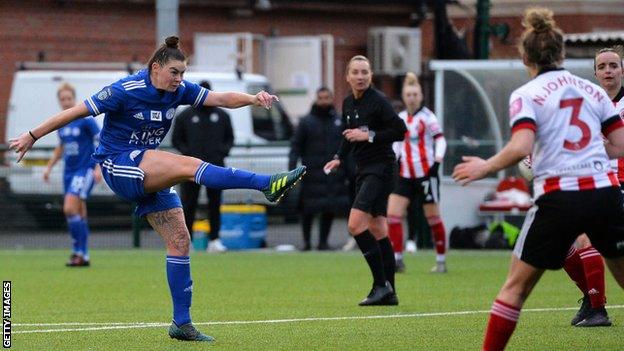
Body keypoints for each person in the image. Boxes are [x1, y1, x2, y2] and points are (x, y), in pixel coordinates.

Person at [9, 36, 305, 342]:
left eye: (183, 74)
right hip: (117, 164)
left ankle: (182, 323)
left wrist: (253, 99)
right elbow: (74, 112)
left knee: (180, 241)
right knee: (189, 166)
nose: (180, 79)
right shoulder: (124, 89)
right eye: (174, 72)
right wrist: (32, 134)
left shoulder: (180, 91)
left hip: (145, 167)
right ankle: (266, 184)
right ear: (156, 68)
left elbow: (220, 99)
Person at [452, 8, 624, 350]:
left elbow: (521, 147)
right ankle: (595, 304)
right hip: (606, 192)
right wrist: (585, 154)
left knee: (514, 289)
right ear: (560, 53)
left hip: (559, 197)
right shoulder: (593, 93)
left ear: (525, 57)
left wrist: (484, 167)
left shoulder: (527, 94)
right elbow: (619, 146)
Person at [324, 55, 407, 306]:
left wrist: (368, 135)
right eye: (356, 72)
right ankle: (389, 293)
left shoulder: (379, 101)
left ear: (370, 76)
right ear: (347, 77)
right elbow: (349, 135)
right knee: (378, 228)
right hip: (363, 169)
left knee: (355, 224)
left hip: (380, 169)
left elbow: (400, 131)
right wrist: (339, 157)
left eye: (365, 72)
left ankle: (380, 285)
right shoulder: (348, 103)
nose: (360, 77)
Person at [561, 47, 624, 327]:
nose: (608, 70)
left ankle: (598, 309)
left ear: (622, 70)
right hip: (590, 181)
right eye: (603, 66)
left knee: (587, 240)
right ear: (596, 73)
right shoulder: (587, 105)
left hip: (618, 183)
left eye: (614, 65)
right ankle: (592, 300)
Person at [387, 72, 448, 273]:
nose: (412, 98)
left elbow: (440, 139)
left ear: (421, 95)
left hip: (426, 173)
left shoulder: (428, 118)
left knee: (433, 217)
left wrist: (437, 162)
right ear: (404, 97)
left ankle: (440, 261)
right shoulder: (401, 118)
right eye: (408, 94)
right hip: (404, 174)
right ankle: (397, 259)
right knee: (393, 215)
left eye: (415, 94)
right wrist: (393, 160)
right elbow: (397, 142)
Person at [43, 82, 101, 267]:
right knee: (77, 211)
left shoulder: (85, 119)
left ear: (74, 98)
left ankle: (80, 252)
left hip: (84, 170)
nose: (66, 102)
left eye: (69, 98)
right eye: (63, 99)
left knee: (69, 208)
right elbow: (61, 147)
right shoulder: (61, 122)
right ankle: (81, 254)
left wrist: (99, 167)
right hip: (69, 172)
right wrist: (49, 167)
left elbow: (101, 140)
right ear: (59, 101)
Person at [172, 80, 234, 253]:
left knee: (215, 204)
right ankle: (187, 241)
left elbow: (230, 139)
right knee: (188, 204)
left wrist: (221, 152)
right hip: (190, 169)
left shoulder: (222, 116)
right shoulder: (185, 116)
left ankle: (214, 240)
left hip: (216, 168)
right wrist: (188, 154)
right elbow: (177, 139)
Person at [289, 87, 350, 251]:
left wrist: (347, 170)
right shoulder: (306, 122)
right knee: (307, 209)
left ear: (331, 99)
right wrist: (291, 169)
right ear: (316, 99)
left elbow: (346, 147)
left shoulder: (339, 121)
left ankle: (324, 242)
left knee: (329, 208)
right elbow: (296, 146)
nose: (324, 101)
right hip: (311, 173)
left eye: (326, 98)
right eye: (321, 98)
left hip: (332, 173)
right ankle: (306, 242)